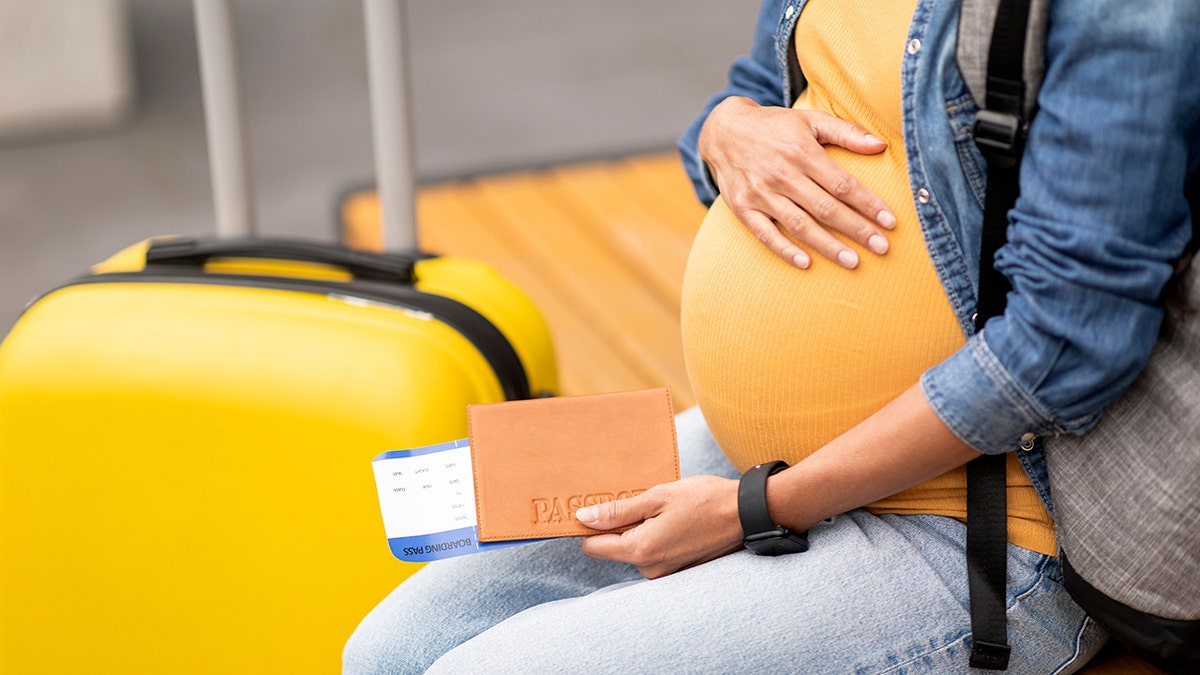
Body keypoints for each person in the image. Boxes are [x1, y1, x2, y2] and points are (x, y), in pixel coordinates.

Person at [343, 0, 1199, 672]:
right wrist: (725, 129)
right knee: (389, 651)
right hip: (760, 454)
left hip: (982, 520)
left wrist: (755, 507)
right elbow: (759, 89)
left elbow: (1068, 339)